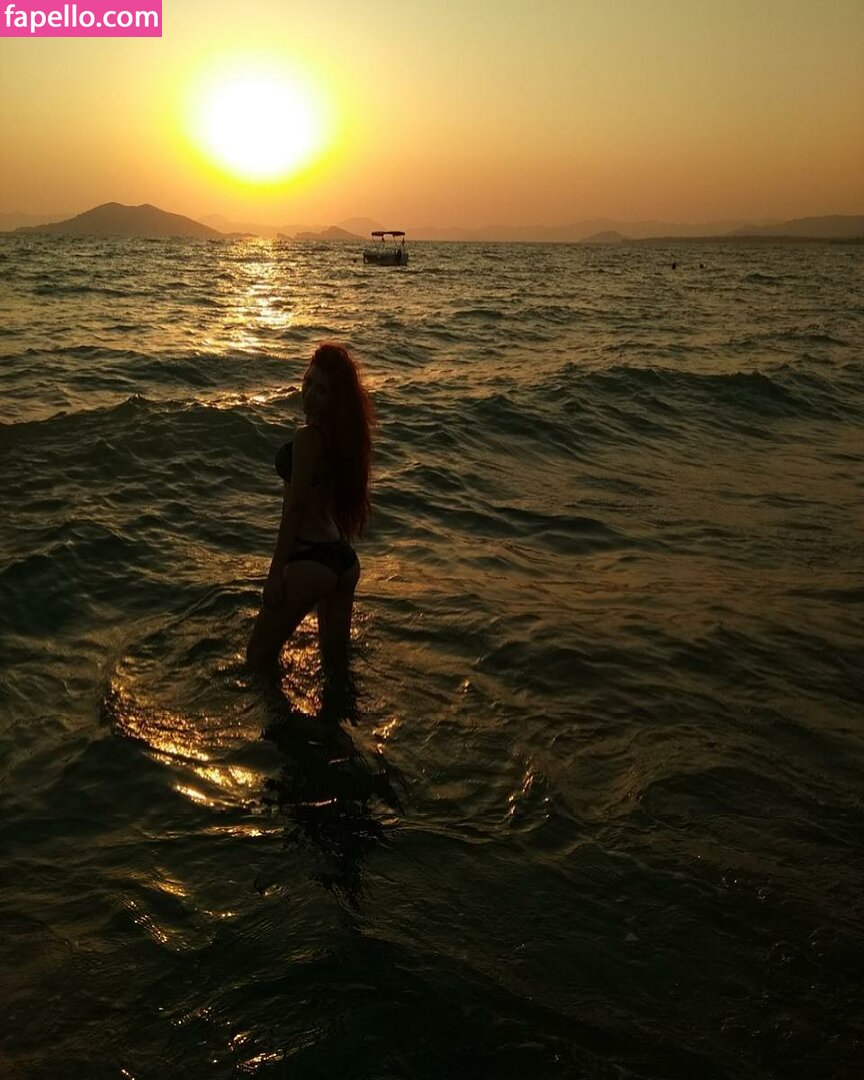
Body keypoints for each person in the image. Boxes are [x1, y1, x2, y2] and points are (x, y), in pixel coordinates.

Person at [246, 343, 373, 675]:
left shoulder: (308, 438)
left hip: (310, 556)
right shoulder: (344, 437)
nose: (310, 394)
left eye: (322, 390)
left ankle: (278, 711)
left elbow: (295, 510)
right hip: (342, 558)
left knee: (257, 658)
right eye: (309, 382)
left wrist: (275, 574)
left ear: (334, 399)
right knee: (336, 665)